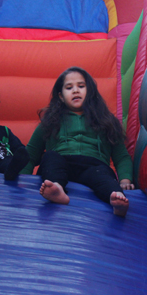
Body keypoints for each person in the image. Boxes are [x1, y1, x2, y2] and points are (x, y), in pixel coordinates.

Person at [22, 66, 135, 217]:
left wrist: (125, 180)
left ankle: (115, 198)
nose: (75, 91)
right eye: (69, 88)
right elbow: (30, 154)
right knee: (50, 157)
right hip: (62, 162)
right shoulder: (50, 122)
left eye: (81, 86)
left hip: (93, 165)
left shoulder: (106, 121)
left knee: (103, 175)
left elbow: (121, 156)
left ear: (91, 92)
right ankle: (57, 188)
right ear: (61, 96)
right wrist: (22, 178)